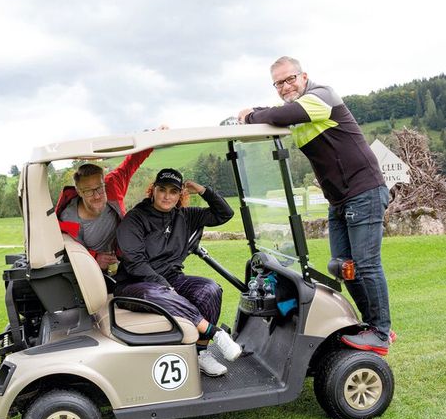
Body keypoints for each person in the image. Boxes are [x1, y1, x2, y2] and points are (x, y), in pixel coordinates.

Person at [237, 56, 394, 355]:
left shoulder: (322, 96)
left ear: (304, 76)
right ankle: (368, 325)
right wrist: (254, 115)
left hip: (364, 192)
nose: (286, 86)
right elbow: (278, 115)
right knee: (341, 266)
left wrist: (250, 115)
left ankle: (380, 331)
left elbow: (283, 113)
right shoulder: (296, 111)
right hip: (339, 200)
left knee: (366, 264)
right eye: (278, 83)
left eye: (290, 79)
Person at [114, 168, 242, 376]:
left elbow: (225, 213)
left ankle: (200, 353)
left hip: (172, 279)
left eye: (173, 191)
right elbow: (135, 263)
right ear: (153, 190)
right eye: (162, 190)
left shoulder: (185, 216)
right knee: (153, 293)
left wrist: (203, 190)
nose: (167, 196)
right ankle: (215, 333)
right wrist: (164, 286)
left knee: (210, 289)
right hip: (134, 284)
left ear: (180, 194)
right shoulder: (135, 218)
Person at [56, 148, 153, 271]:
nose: (97, 196)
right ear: (79, 192)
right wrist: (94, 258)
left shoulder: (112, 186)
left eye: (99, 188)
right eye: (88, 191)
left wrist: (151, 140)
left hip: (126, 258)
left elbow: (132, 162)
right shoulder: (69, 219)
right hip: (92, 270)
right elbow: (70, 253)